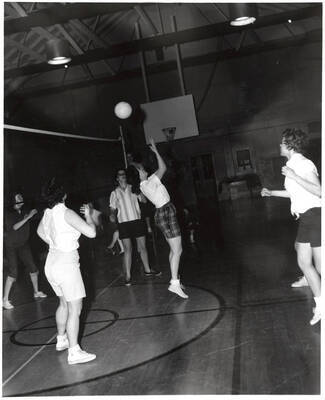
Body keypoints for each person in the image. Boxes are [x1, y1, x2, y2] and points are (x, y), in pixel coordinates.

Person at [261, 128, 321, 325]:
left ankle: (321, 306)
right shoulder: (292, 165)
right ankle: (319, 300)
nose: (279, 145)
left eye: (281, 142)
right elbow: (296, 193)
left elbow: (319, 191)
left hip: (315, 215)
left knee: (319, 266)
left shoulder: (303, 164)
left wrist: (295, 176)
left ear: (289, 145)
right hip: (306, 217)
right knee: (304, 262)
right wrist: (272, 193)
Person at [37, 178, 97, 365]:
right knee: (75, 308)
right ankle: (74, 352)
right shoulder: (66, 212)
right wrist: (89, 215)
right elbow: (91, 233)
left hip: (51, 263)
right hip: (66, 264)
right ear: (64, 195)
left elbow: (39, 232)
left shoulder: (47, 213)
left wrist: (55, 244)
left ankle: (61, 339)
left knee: (63, 303)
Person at [137, 137, 188, 299]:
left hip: (164, 212)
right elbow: (163, 168)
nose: (142, 169)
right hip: (165, 212)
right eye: (140, 170)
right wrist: (155, 150)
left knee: (174, 250)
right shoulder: (146, 184)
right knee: (178, 250)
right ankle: (174, 283)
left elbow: (160, 168)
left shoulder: (150, 180)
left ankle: (175, 280)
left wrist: (153, 151)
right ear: (138, 175)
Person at [109, 168, 160, 286]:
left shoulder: (133, 188)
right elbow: (112, 209)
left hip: (137, 221)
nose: (123, 176)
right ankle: (128, 276)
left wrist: (140, 192)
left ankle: (147, 271)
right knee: (128, 249)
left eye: (124, 174)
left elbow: (144, 200)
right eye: (120, 175)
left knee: (142, 247)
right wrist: (112, 215)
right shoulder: (114, 193)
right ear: (117, 178)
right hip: (124, 224)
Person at [3, 192, 47, 310]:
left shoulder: (24, 211)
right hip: (11, 245)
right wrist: (28, 217)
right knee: (13, 272)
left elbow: (36, 212)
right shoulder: (8, 213)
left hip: (23, 244)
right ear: (13, 200)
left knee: (33, 268)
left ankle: (36, 292)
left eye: (21, 197)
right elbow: (15, 227)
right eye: (18, 197)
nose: (21, 199)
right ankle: (4, 299)